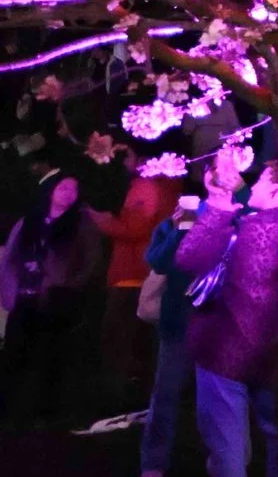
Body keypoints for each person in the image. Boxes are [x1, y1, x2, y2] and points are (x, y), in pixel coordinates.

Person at [176, 152, 278, 477]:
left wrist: (219, 203)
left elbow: (188, 258)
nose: (251, 182)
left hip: (226, 351)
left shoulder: (252, 230)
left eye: (261, 179)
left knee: (228, 450)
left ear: (277, 190)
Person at [0, 167, 103, 426]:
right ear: (51, 191)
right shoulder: (30, 221)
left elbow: (92, 261)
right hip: (25, 294)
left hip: (57, 297)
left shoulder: (81, 224)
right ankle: (9, 407)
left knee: (50, 355)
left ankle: (44, 412)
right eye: (64, 188)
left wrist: (71, 285)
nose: (69, 194)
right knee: (14, 352)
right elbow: (12, 256)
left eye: (74, 189)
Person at [89, 138, 179, 405]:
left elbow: (135, 227)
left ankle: (122, 400)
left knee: (120, 340)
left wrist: (99, 219)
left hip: (133, 273)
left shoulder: (145, 186)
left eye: (125, 153)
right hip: (149, 272)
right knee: (142, 342)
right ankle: (144, 397)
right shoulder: (169, 186)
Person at [137, 183, 204, 477]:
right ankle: (153, 463)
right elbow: (157, 262)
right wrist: (179, 230)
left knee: (213, 400)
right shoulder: (168, 227)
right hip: (176, 322)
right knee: (165, 395)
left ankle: (217, 459)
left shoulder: (218, 225)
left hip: (211, 321)